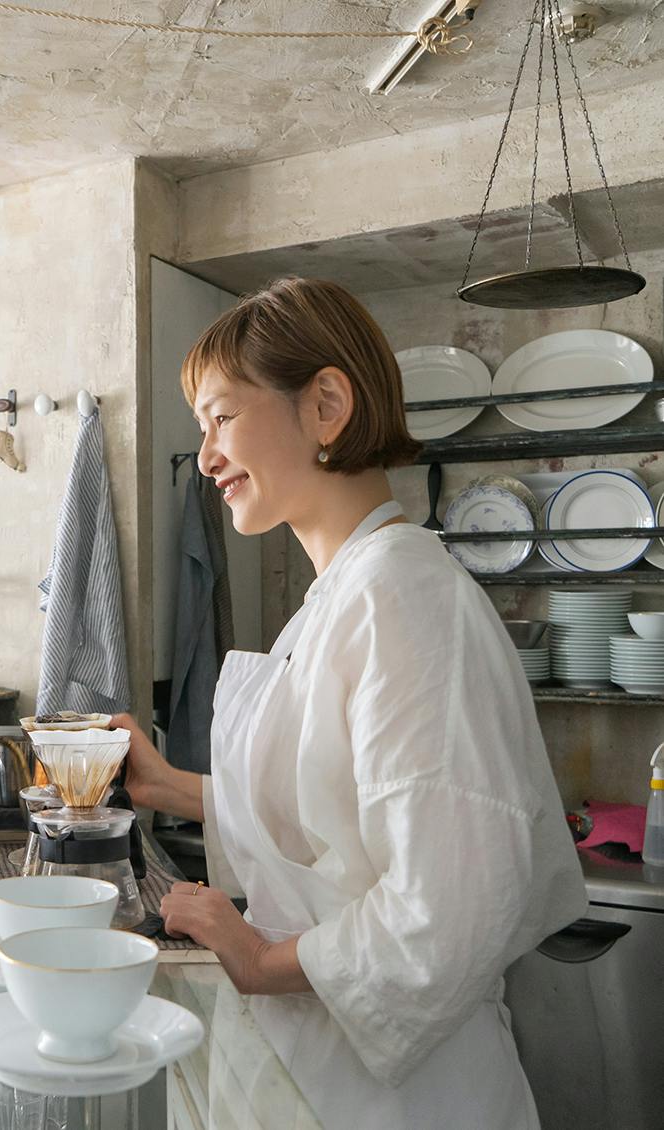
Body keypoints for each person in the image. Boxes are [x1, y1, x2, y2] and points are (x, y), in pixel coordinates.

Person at [113, 278, 586, 1129]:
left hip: (401, 1098)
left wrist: (258, 957)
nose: (209, 456)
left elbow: (449, 905)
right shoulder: (344, 594)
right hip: (323, 1075)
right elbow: (334, 819)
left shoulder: (403, 596)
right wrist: (169, 786)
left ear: (325, 404)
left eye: (222, 417)